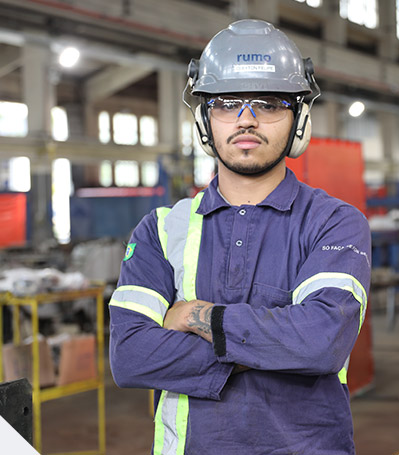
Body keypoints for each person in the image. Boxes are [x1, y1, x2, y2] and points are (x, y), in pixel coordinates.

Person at [109, 19, 371, 455]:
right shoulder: (160, 229)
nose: (247, 120)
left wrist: (201, 317)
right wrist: (274, 350)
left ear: (299, 119)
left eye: (268, 104)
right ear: (204, 117)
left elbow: (323, 342)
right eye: (228, 103)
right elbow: (131, 355)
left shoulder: (334, 222)